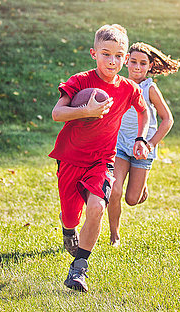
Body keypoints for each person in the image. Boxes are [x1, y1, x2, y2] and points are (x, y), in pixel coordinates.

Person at [49, 24, 150, 292]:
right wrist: (86, 111)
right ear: (94, 53)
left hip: (102, 161)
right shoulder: (80, 81)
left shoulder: (129, 88)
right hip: (70, 158)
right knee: (71, 216)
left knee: (96, 207)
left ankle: (78, 269)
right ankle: (68, 228)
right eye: (106, 54)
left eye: (119, 56)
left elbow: (144, 112)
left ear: (125, 58)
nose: (113, 61)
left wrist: (141, 139)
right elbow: (57, 114)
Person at [107, 42, 180, 247]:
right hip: (120, 146)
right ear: (126, 61)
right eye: (133, 62)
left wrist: (150, 144)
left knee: (132, 199)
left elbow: (167, 119)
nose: (137, 67)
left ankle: (142, 186)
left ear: (149, 66)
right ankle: (115, 236)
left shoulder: (149, 88)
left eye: (142, 63)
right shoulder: (117, 83)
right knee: (114, 190)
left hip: (143, 149)